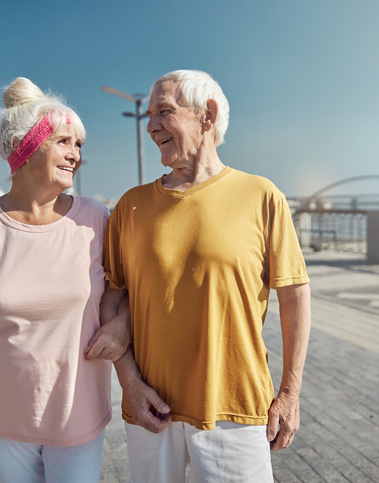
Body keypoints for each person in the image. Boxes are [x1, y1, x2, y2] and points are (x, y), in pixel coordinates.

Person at [103, 69, 312, 482]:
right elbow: (111, 299)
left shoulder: (261, 196)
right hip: (149, 409)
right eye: (148, 116)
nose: (151, 126)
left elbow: (294, 296)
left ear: (208, 115)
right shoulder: (130, 206)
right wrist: (128, 382)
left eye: (164, 111)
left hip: (234, 411)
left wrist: (289, 394)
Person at [0, 77, 129, 483]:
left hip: (76, 410)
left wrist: (124, 327)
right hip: (0, 412)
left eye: (78, 144)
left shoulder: (95, 220)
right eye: (64, 142)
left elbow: (125, 292)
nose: (76, 155)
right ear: (24, 149)